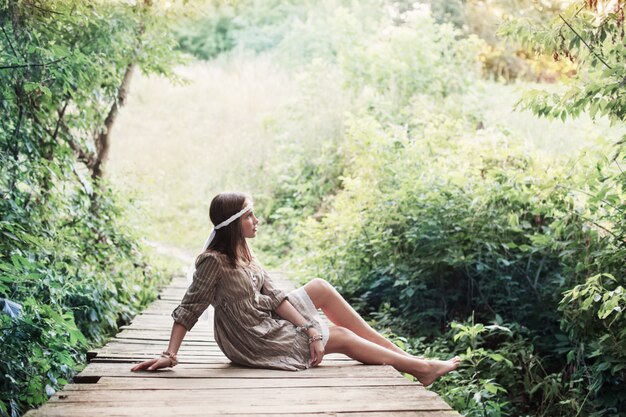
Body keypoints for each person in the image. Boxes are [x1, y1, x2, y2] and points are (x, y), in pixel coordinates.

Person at [130, 191, 460, 385]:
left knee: (320, 288)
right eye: (250, 216)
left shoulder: (246, 254)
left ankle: (405, 358)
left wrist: (308, 328)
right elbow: (189, 307)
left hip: (264, 321)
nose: (256, 221)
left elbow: (275, 297)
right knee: (341, 337)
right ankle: (422, 369)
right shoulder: (213, 262)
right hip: (251, 339)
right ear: (234, 224)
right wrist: (170, 354)